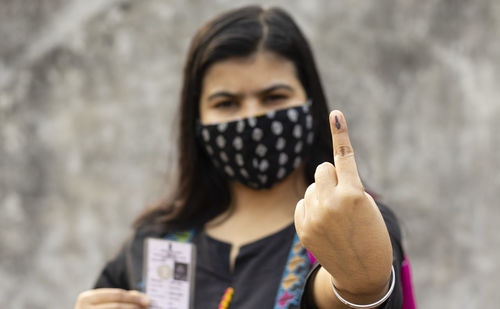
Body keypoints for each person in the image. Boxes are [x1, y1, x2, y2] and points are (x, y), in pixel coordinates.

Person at [74, 5, 408, 309]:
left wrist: (360, 287)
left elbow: (338, 291)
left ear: (310, 103)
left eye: (274, 96)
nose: (253, 118)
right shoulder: (154, 241)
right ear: (198, 120)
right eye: (226, 103)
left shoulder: (348, 222)